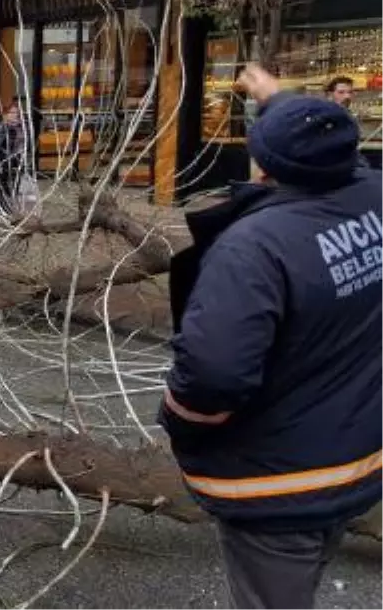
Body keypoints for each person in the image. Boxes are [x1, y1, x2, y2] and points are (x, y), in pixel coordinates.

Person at [160, 63, 383, 610]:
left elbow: (212, 375)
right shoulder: (373, 195)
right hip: (356, 452)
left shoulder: (254, 247)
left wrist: (178, 419)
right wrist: (273, 95)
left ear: (263, 168)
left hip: (278, 483)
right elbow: (323, 137)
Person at [0, 101, 28, 214]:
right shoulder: (1, 129)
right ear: (6, 114)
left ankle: (5, 210)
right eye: (12, 112)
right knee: (3, 188)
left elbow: (25, 144)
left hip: (17, 161)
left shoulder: (22, 127)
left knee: (14, 188)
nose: (16, 115)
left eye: (18, 113)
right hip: (4, 162)